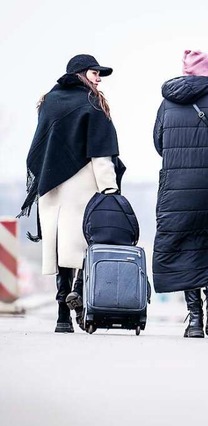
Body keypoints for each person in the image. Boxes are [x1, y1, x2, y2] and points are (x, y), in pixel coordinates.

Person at [19, 54, 123, 333]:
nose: (99, 79)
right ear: (79, 74)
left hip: (51, 186)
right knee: (84, 245)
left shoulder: (49, 102)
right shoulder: (93, 102)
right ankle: (79, 299)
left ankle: (62, 315)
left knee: (59, 246)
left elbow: (41, 145)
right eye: (94, 73)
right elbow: (101, 152)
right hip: (82, 184)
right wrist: (110, 189)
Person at [152, 50, 208, 338]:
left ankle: (194, 319)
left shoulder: (167, 105)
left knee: (184, 250)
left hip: (177, 190)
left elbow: (159, 143)